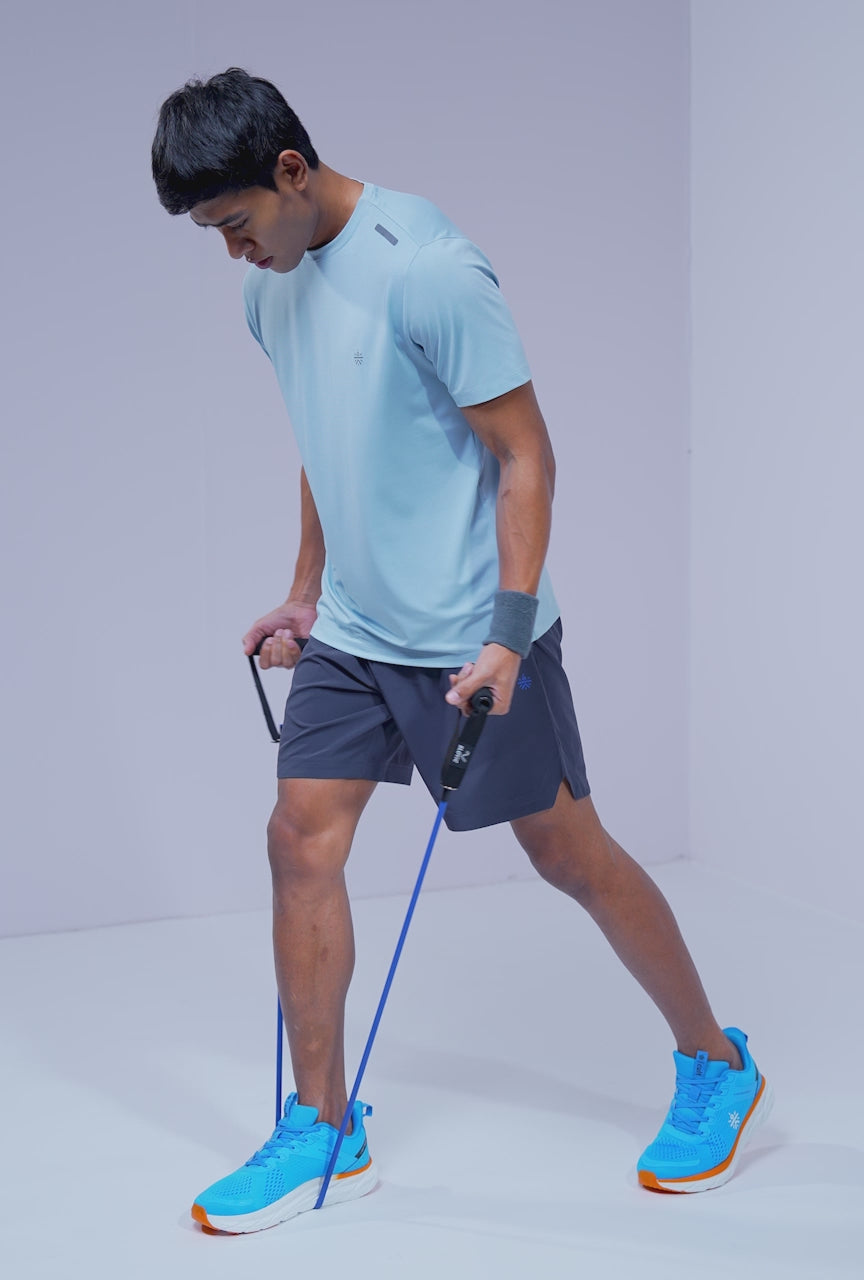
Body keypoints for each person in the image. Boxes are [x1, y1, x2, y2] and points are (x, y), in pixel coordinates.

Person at [152, 67, 771, 1235]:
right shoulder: (269, 293)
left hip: (467, 637)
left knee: (569, 854)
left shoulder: (429, 267)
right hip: (354, 629)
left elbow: (526, 454)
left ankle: (716, 1059)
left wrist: (508, 636)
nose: (232, 252)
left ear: (291, 170)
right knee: (297, 838)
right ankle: (324, 1122)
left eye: (235, 223)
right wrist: (305, 592)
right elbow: (326, 439)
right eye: (213, 235)